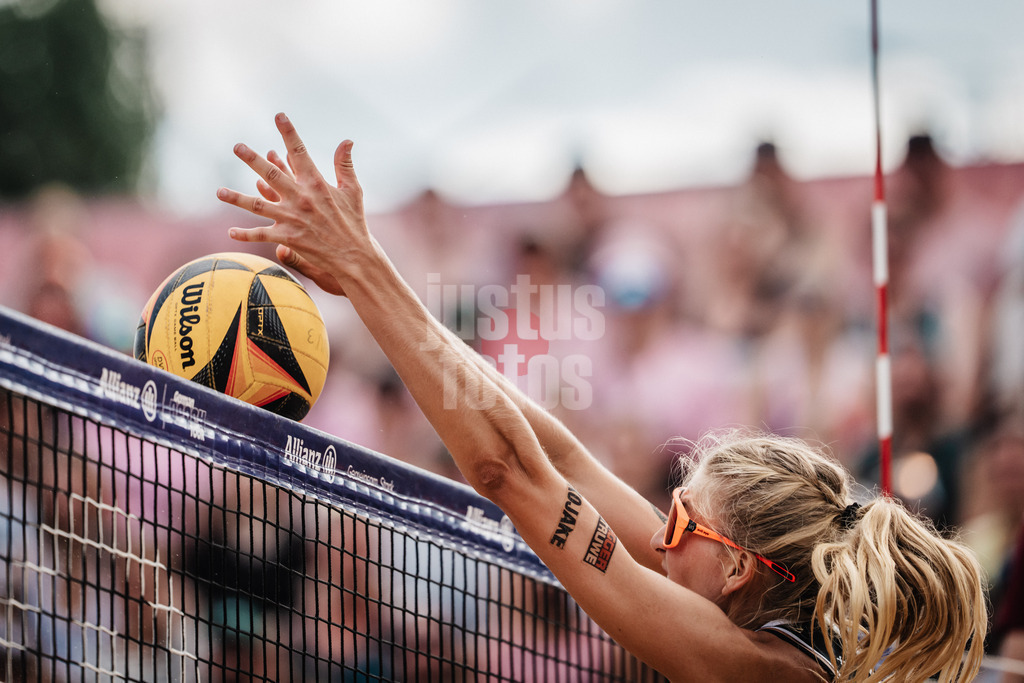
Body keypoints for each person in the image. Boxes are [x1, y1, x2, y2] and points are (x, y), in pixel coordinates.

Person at [215, 113, 987, 682]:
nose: (661, 531)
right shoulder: (733, 603)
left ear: (740, 570)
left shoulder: (755, 665)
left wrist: (363, 272)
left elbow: (509, 472)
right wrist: (375, 277)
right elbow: (557, 455)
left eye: (684, 519)